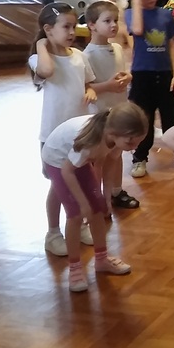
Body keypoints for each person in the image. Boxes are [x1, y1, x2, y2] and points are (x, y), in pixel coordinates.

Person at [40, 103, 146, 292]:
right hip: (58, 159)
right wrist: (82, 203)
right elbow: (67, 171)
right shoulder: (91, 142)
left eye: (138, 143)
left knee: (97, 208)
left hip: (76, 160)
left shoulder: (115, 138)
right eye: (131, 143)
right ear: (113, 133)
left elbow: (108, 163)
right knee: (75, 214)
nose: (134, 148)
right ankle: (75, 268)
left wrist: (106, 197)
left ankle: (101, 259)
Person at [28, 2, 97, 256]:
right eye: (65, 26)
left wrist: (90, 90)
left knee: (82, 179)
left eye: (73, 26)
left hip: (80, 132)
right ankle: (53, 233)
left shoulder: (79, 56)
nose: (71, 32)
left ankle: (80, 224)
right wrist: (41, 43)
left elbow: (89, 83)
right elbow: (47, 71)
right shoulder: (39, 58)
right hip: (53, 136)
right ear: (48, 29)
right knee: (58, 186)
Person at [125, 0, 174, 178]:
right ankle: (140, 158)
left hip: (165, 74)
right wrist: (136, 1)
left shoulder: (165, 15)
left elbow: (172, 46)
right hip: (142, 75)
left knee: (170, 118)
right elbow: (138, 30)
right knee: (144, 120)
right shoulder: (130, 14)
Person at [83, 0, 137, 209]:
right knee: (100, 158)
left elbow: (121, 73)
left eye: (115, 20)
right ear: (92, 25)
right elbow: (87, 88)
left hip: (118, 109)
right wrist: (108, 86)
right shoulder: (87, 55)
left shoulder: (117, 48)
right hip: (100, 114)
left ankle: (116, 191)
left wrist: (127, 77)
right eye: (107, 21)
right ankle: (97, 197)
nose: (114, 25)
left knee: (117, 153)